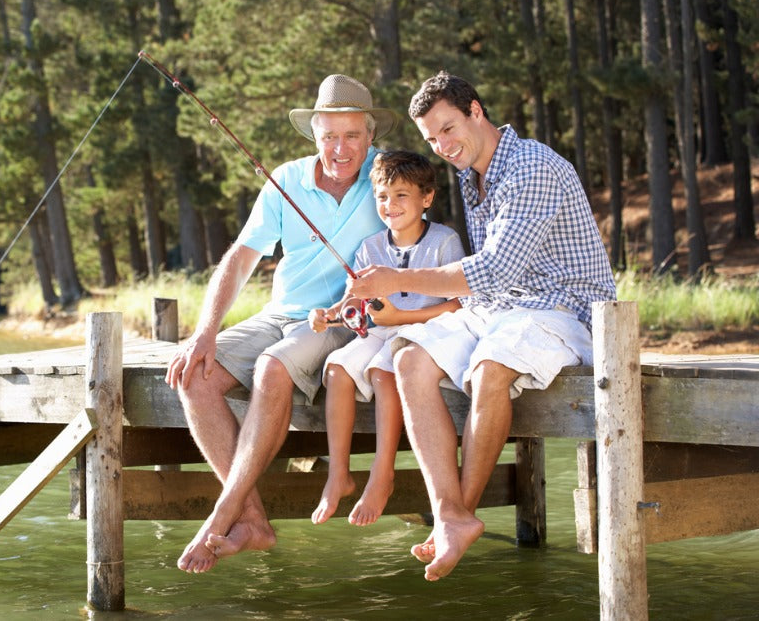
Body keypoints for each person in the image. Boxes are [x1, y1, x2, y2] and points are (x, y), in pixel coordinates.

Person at [347, 71, 616, 582]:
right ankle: (451, 513)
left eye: (448, 128)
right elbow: (491, 285)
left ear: (476, 110)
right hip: (504, 306)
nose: (443, 146)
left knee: (489, 368)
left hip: (566, 307)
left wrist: (397, 277)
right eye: (432, 139)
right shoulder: (474, 175)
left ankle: (456, 516)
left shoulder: (531, 166)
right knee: (408, 358)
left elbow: (492, 270)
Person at [165, 74, 399, 573]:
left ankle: (223, 513)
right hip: (280, 313)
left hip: (343, 320)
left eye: (352, 135)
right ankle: (253, 520)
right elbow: (239, 258)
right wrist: (205, 331)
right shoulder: (285, 180)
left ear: (371, 134)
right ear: (314, 135)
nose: (340, 149)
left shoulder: (386, 177)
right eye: (329, 136)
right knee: (195, 375)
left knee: (274, 367)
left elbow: (419, 229)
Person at [308, 150, 463, 527]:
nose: (389, 205)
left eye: (401, 195)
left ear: (426, 198)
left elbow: (458, 305)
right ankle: (338, 474)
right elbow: (352, 302)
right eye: (382, 196)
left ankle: (382, 474)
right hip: (383, 330)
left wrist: (403, 317)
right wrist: (327, 316)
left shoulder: (445, 241)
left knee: (383, 371)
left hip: (427, 332)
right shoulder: (370, 248)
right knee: (337, 370)